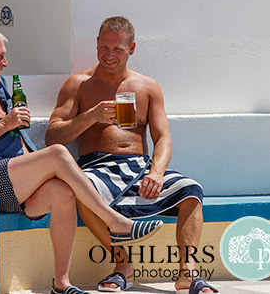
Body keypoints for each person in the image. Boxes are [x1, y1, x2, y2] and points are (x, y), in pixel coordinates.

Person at [0, 26, 164, 294]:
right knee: (58, 153)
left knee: (62, 192)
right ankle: (115, 222)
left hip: (17, 181)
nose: (6, 63)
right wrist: (5, 124)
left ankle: (61, 283)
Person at [46, 16, 215, 294]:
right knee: (81, 189)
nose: (109, 55)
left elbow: (163, 138)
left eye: (117, 49)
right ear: (97, 45)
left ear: (132, 49)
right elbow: (53, 136)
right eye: (104, 48)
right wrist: (91, 116)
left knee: (191, 191)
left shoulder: (147, 87)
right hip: (97, 167)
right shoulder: (78, 85)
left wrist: (157, 171)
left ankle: (188, 272)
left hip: (139, 167)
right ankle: (122, 265)